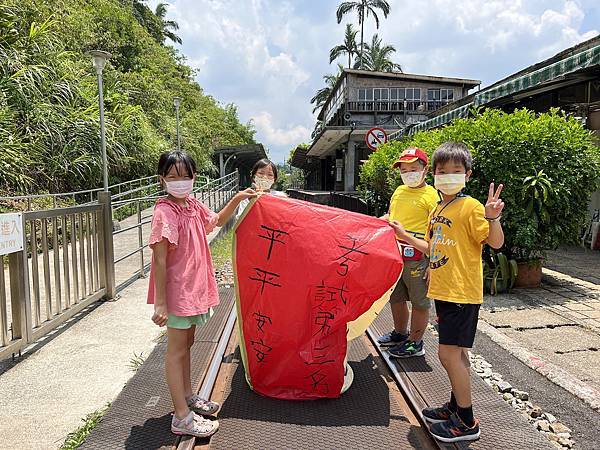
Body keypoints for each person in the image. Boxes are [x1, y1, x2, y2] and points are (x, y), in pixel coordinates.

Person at [390, 142, 505, 443]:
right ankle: (455, 407)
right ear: (436, 175)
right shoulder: (440, 207)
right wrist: (404, 236)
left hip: (461, 293)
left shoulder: (471, 207)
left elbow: (494, 243)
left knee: (448, 354)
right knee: (457, 354)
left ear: (467, 175)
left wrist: (493, 217)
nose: (448, 176)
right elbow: (434, 247)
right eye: (443, 171)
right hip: (444, 290)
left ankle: (466, 422)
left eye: (456, 171)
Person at [147, 150, 256, 438]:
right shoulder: (164, 212)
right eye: (172, 177)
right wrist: (160, 303)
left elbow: (217, 221)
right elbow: (159, 259)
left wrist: (238, 198)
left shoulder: (193, 204)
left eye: (185, 176)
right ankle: (181, 417)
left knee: (188, 344)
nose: (179, 182)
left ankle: (187, 396)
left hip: (193, 289)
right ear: (162, 179)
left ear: (194, 177)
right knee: (176, 351)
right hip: (177, 293)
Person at [376, 147, 439, 358]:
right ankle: (400, 333)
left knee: (420, 302)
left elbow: (438, 232)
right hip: (395, 255)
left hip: (418, 258)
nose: (408, 173)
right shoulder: (399, 191)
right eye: (404, 169)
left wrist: (433, 263)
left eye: (413, 168)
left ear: (425, 169)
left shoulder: (432, 196)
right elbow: (392, 216)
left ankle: (415, 342)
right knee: (396, 297)